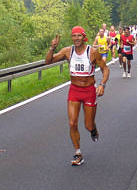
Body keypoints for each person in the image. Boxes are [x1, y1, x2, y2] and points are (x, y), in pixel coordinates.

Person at [45, 26, 109, 166]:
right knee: (72, 123)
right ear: (71, 37)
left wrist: (102, 85)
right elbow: (48, 61)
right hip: (74, 90)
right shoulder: (68, 51)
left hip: (89, 91)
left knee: (88, 125)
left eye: (79, 36)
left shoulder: (92, 52)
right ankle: (78, 153)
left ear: (84, 37)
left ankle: (93, 128)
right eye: (74, 36)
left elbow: (105, 69)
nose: (76, 39)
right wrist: (52, 48)